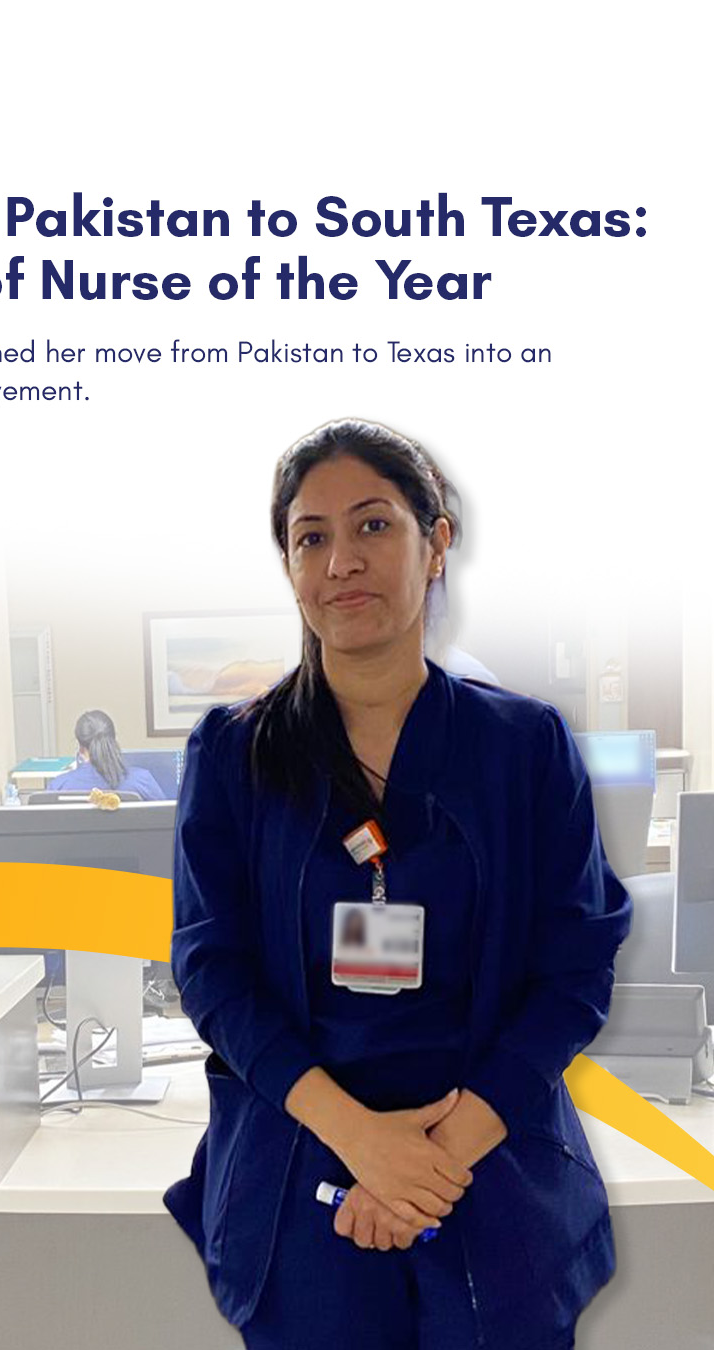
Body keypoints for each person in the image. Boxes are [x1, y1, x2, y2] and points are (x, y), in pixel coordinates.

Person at [165, 418, 631, 1350]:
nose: (343, 560)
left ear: (437, 540)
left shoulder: (523, 747)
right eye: (311, 537)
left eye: (374, 525)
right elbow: (211, 967)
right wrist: (362, 1143)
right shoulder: (237, 753)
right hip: (306, 1165)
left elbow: (575, 968)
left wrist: (435, 1160)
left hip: (488, 1157)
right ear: (290, 566)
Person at [47, 710, 165, 800]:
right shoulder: (142, 781)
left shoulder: (59, 787)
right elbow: (169, 821)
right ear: (113, 741)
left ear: (80, 748)